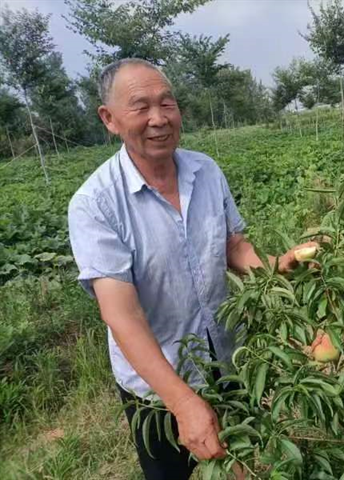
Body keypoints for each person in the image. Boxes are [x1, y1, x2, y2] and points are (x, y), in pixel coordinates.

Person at [67, 58, 315, 480]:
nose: (159, 119)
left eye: (168, 103)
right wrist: (182, 403)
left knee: (241, 462)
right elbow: (121, 315)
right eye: (141, 107)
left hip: (226, 358)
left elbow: (232, 245)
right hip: (157, 389)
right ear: (109, 119)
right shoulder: (95, 204)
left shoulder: (206, 170)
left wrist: (275, 269)